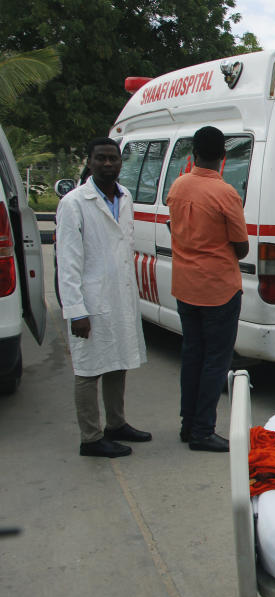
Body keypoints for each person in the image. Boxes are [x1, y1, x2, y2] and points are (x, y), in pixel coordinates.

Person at [57, 138, 150, 457]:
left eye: (113, 158)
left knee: (117, 361)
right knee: (87, 370)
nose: (108, 164)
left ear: (121, 163)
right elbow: (67, 262)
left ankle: (116, 424)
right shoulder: (74, 203)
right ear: (90, 161)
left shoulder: (124, 197)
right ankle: (91, 438)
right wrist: (75, 311)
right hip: (90, 300)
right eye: (101, 159)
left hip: (119, 296)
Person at [167, 126, 249, 452]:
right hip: (218, 289)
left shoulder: (178, 184)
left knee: (192, 356)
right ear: (223, 157)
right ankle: (203, 431)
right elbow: (241, 247)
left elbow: (175, 227)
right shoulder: (225, 193)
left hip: (185, 285)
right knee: (216, 361)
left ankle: (189, 426)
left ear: (193, 154)